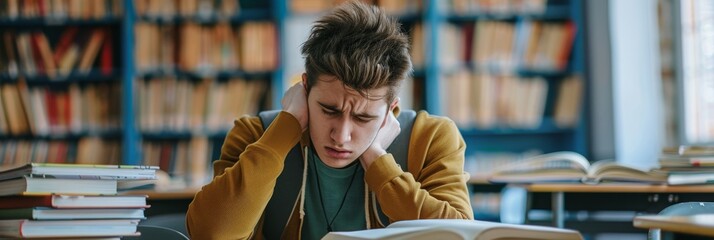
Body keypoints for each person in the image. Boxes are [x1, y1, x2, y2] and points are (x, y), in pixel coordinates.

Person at [186, 1, 473, 239]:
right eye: (329, 110)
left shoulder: (431, 138)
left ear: (390, 111)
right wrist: (284, 130)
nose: (341, 136)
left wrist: (378, 160)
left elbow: (458, 234)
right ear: (305, 89)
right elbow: (210, 234)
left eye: (363, 118)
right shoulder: (254, 135)